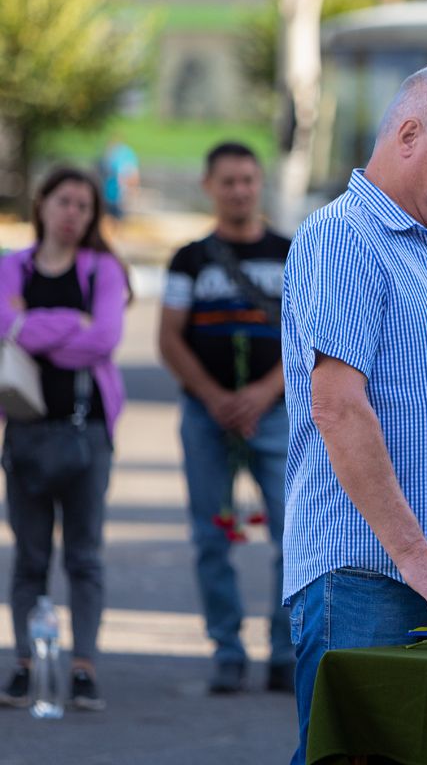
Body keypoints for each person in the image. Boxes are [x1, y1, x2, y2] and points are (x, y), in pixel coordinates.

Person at [282, 63, 427, 765]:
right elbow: (337, 406)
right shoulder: (346, 236)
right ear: (409, 134)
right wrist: (416, 555)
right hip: (371, 579)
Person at [158, 142, 294, 695]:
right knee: (211, 537)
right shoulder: (188, 259)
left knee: (294, 536)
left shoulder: (294, 252)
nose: (239, 190)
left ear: (260, 184)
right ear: (208, 186)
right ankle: (227, 649)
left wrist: (262, 393)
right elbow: (168, 338)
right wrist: (214, 397)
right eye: (228, 181)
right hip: (204, 416)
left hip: (277, 416)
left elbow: (311, 337)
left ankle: (286, 651)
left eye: (248, 180)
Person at [0, 166, 128, 711]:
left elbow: (102, 339)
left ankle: (83, 667)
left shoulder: (103, 271)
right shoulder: (12, 267)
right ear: (42, 205)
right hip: (25, 432)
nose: (73, 213)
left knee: (84, 556)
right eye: (64, 201)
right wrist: (65, 323)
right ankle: (26, 663)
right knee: (29, 556)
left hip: (88, 434)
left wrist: (31, 328)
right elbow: (4, 328)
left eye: (84, 205)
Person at [99, 137, 139, 221]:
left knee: (116, 218)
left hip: (117, 195)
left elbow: (132, 176)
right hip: (109, 194)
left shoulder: (124, 156)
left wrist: (130, 192)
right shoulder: (109, 157)